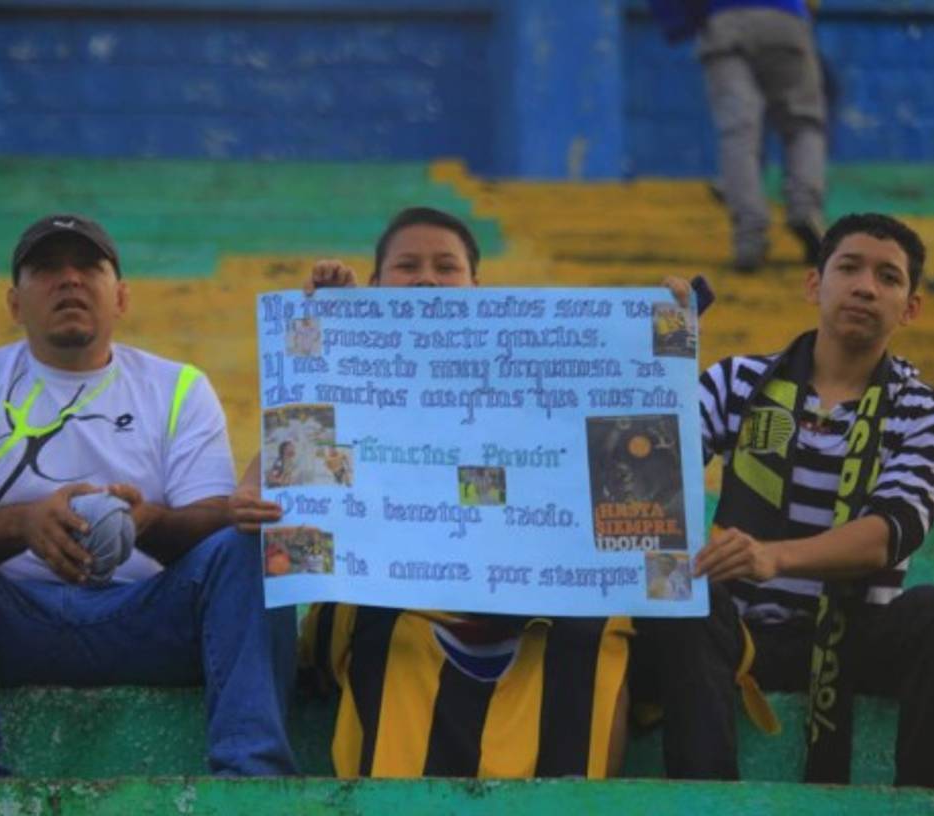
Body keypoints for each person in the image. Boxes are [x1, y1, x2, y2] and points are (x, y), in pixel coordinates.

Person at [0, 213, 296, 778]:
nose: (68, 279)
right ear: (14, 303)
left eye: (87, 266)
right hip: (6, 623)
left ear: (119, 297)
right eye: (45, 268)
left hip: (147, 619)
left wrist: (152, 521)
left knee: (252, 545)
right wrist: (26, 526)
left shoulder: (178, 387)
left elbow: (211, 536)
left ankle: (253, 776)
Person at [230, 207, 635, 778]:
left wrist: (657, 331)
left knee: (601, 627)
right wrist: (331, 351)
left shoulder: (531, 384)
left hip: (518, 603)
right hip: (390, 605)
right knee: (385, 627)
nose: (427, 280)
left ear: (477, 289)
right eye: (407, 266)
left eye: (447, 267)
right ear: (374, 288)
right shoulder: (352, 382)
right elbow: (272, 477)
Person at [638, 212, 934, 788]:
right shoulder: (737, 381)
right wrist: (660, 352)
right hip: (735, 630)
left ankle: (932, 801)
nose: (866, 286)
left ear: (910, 307)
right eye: (848, 268)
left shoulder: (931, 413)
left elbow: (890, 532)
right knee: (683, 600)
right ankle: (707, 799)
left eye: (889, 278)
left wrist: (777, 557)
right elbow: (645, 471)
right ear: (815, 283)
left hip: (854, 635)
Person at [648, 0, 827, 271]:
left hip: (724, 23)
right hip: (784, 18)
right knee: (803, 124)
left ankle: (749, 235)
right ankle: (805, 210)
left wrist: (678, 24)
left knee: (738, 133)